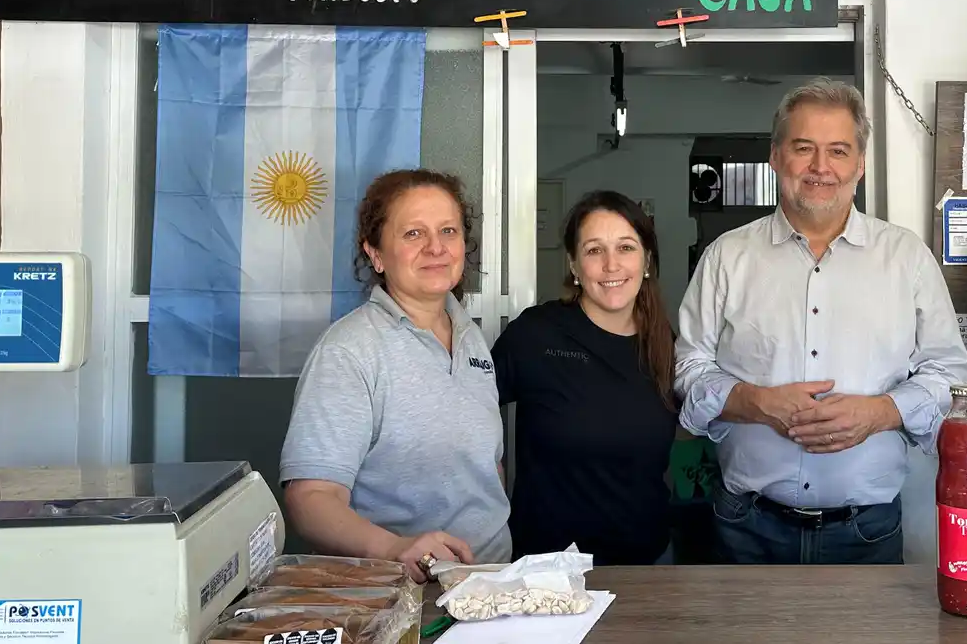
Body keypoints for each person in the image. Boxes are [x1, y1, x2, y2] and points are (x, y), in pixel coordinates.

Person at [675, 78, 967, 564]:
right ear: (776, 156)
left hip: (866, 534)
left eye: (837, 150)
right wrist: (755, 402)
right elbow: (688, 368)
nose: (820, 167)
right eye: (803, 148)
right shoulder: (726, 257)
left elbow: (950, 374)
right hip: (746, 528)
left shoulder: (906, 258)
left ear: (859, 163)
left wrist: (881, 412)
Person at [279, 169, 511, 583]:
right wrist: (395, 549)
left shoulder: (471, 336)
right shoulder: (348, 351)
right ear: (376, 254)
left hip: (489, 585)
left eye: (448, 230)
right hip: (400, 596)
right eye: (413, 234)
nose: (436, 247)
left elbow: (485, 465)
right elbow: (310, 499)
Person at [492, 191, 679, 564]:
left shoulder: (664, 343)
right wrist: (489, 504)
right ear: (574, 266)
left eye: (626, 247)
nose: (612, 265)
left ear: (646, 262)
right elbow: (465, 416)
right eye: (594, 250)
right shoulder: (536, 335)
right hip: (547, 570)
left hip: (648, 562)